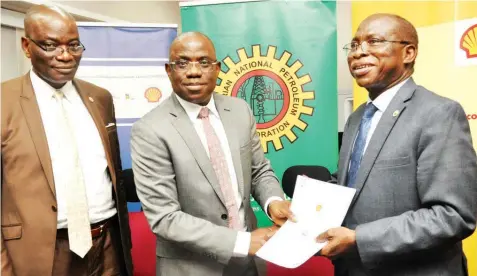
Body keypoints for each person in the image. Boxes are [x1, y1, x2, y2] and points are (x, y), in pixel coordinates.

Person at [316, 13, 477, 276]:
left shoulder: (439, 113)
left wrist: (358, 238)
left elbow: (453, 215)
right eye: (355, 45)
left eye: (374, 41)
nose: (358, 52)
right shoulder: (358, 117)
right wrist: (305, 209)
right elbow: (353, 184)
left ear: (409, 53)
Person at [130, 32, 293, 276]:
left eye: (204, 62)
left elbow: (258, 171)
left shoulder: (240, 111)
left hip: (249, 263)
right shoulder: (150, 130)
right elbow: (165, 218)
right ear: (168, 70)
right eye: (182, 63)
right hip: (192, 267)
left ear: (217, 68)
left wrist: (273, 202)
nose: (194, 71)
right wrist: (241, 242)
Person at [1, 5, 133, 276]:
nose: (65, 56)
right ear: (27, 46)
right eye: (50, 46)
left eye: (74, 45)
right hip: (39, 254)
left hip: (107, 245)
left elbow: (112, 173)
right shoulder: (4, 101)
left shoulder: (101, 98)